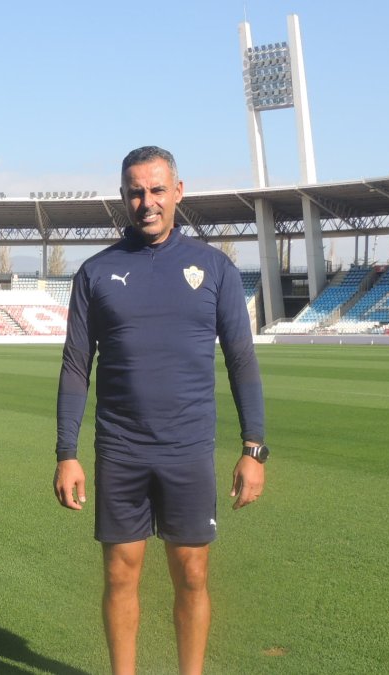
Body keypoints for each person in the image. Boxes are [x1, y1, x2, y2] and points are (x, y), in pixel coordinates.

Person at [52, 146, 267, 675]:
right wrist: (66, 453)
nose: (145, 201)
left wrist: (254, 448)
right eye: (134, 191)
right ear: (123, 196)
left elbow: (241, 362)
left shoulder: (214, 267)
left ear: (177, 192)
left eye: (155, 189)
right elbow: (76, 366)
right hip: (121, 449)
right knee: (121, 575)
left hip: (188, 449)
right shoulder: (96, 272)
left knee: (192, 573)